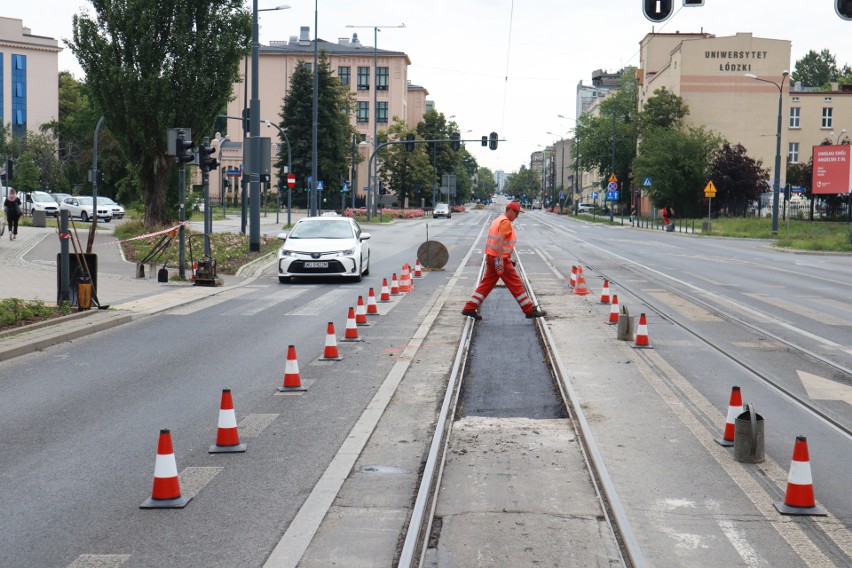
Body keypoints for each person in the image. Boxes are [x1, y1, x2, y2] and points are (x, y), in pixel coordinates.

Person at [462, 201, 546, 321]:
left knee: (486, 284)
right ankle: (529, 310)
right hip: (499, 259)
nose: (517, 217)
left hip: (491, 256)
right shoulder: (505, 222)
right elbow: (500, 241)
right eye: (516, 213)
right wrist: (501, 260)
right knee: (516, 283)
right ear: (510, 211)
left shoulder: (498, 220)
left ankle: (469, 308)